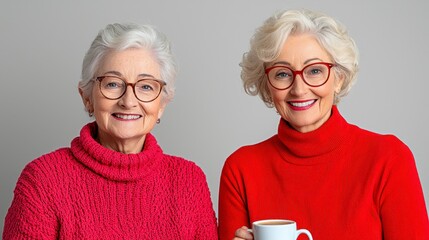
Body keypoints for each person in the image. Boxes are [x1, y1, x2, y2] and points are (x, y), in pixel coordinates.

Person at [218, 9, 429, 240]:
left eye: (315, 70)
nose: (299, 89)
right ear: (266, 85)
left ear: (338, 78)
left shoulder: (389, 159)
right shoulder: (240, 169)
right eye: (282, 74)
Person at [3, 23, 218, 239]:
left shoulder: (189, 181)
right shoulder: (43, 179)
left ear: (161, 104)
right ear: (87, 97)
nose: (128, 101)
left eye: (146, 86)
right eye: (113, 84)